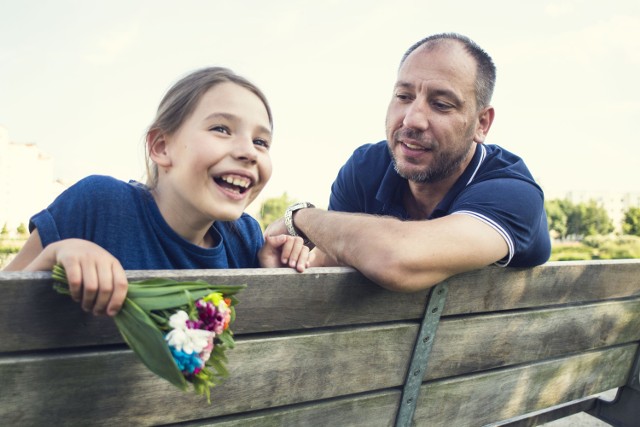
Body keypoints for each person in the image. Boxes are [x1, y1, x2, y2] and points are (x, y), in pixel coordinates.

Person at [5, 67, 311, 316]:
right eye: (221, 129)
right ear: (161, 147)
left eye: (261, 142)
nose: (249, 151)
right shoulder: (98, 204)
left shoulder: (246, 239)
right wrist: (56, 254)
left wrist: (273, 277)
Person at [266, 32, 550, 292]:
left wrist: (301, 217)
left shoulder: (513, 192)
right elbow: (332, 263)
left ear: (481, 124)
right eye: (404, 96)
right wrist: (287, 258)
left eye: (441, 104)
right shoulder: (366, 168)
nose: (412, 119)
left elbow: (395, 259)